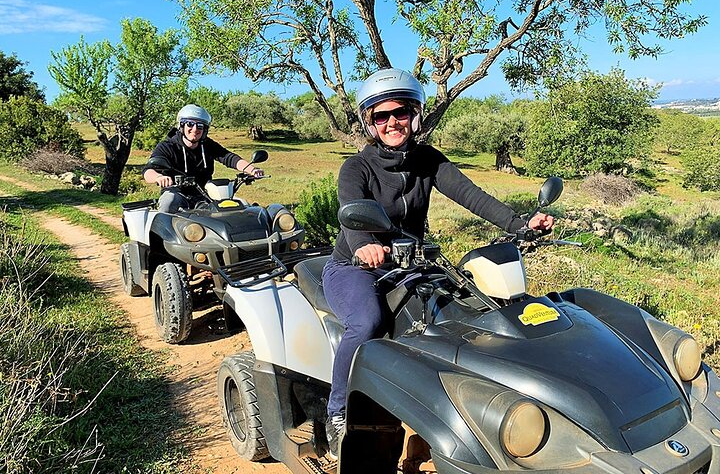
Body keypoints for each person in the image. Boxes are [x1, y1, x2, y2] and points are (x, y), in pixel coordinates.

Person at [320, 68, 554, 459]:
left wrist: (521, 225)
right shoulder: (355, 167)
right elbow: (351, 211)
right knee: (368, 322)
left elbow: (471, 195)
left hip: (411, 262)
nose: (392, 122)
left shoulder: (427, 159)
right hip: (355, 266)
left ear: (415, 114)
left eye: (401, 112)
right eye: (381, 115)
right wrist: (364, 245)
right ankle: (338, 411)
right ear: (369, 121)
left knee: (474, 305)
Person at [143, 104, 264, 213]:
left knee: (238, 207)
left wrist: (251, 169)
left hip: (204, 193)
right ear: (181, 126)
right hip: (176, 192)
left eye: (200, 126)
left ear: (204, 130)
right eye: (190, 124)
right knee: (168, 202)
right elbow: (148, 171)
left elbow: (228, 157)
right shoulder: (168, 146)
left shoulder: (207, 144)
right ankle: (163, 237)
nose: (195, 129)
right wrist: (159, 177)